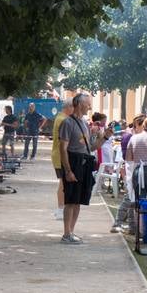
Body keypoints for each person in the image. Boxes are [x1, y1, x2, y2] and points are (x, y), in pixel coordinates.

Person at [58, 93, 100, 244]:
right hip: (73, 162)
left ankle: (71, 232)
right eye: (88, 103)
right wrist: (68, 170)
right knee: (70, 200)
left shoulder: (84, 123)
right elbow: (63, 148)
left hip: (84, 162)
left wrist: (105, 137)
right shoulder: (68, 123)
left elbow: (91, 148)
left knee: (78, 200)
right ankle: (66, 233)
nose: (90, 106)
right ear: (80, 104)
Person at [111, 115, 146, 232]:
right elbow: (127, 158)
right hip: (131, 171)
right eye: (144, 126)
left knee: (133, 199)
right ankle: (117, 223)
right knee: (129, 198)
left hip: (133, 170)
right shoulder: (130, 137)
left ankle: (132, 227)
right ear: (139, 125)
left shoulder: (133, 136)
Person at [49, 99, 73, 218]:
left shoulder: (61, 118)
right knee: (63, 184)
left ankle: (61, 208)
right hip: (61, 156)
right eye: (74, 108)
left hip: (59, 155)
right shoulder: (63, 120)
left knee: (63, 183)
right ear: (68, 107)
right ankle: (60, 209)